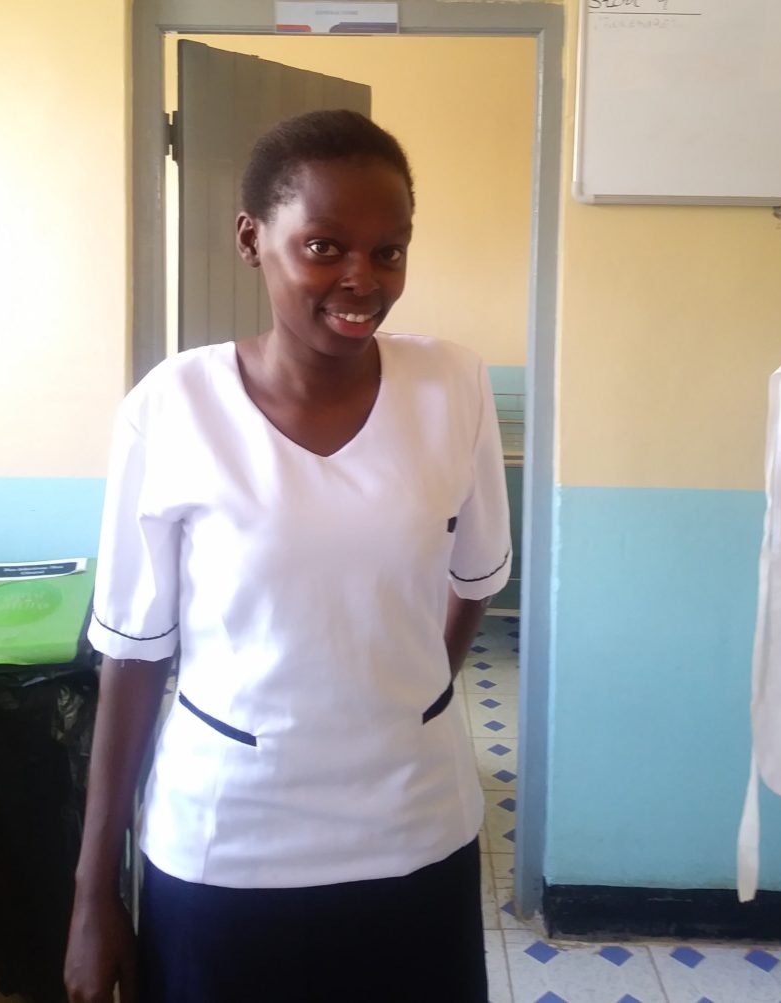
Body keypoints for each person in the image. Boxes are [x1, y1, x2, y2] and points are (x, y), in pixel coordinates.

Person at [64, 109, 512, 1003]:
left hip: (415, 831)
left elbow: (472, 585)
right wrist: (91, 891)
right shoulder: (172, 408)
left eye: (390, 251)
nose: (363, 279)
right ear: (251, 239)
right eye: (324, 246)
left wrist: (399, 698)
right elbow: (135, 656)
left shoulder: (452, 385)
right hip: (229, 843)